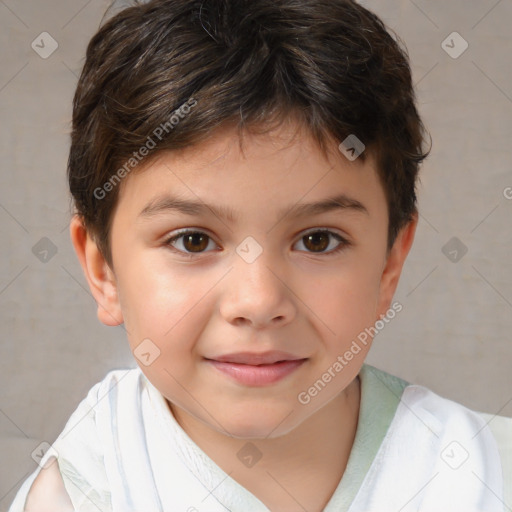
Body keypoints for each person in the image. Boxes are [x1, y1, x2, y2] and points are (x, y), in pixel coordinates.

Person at [9, 0, 511, 510]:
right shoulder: (80, 492)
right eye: (193, 240)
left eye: (318, 240)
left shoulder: (480, 475)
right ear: (103, 272)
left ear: (388, 264)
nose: (258, 300)